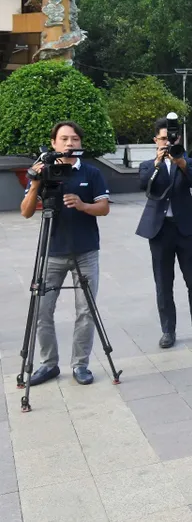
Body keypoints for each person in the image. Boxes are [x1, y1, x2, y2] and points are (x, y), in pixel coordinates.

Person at [19, 121, 110, 386]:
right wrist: (35, 182)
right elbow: (25, 211)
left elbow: (104, 208)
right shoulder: (43, 172)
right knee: (41, 311)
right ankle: (49, 364)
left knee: (86, 311)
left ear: (80, 143)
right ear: (54, 144)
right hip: (51, 252)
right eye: (64, 139)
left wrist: (83, 205)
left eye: (75, 139)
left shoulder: (92, 173)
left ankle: (80, 365)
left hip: (86, 251)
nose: (70, 143)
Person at [137, 117, 192, 348]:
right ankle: (168, 330)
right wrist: (159, 163)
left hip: (186, 228)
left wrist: (179, 162)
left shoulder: (187, 161)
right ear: (155, 140)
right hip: (160, 230)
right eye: (162, 139)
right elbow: (144, 186)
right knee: (163, 281)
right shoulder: (148, 165)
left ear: (178, 138)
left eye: (171, 138)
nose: (167, 142)